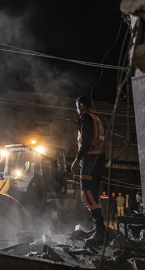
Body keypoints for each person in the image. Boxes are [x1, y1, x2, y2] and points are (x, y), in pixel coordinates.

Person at [71, 95, 106, 245]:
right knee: (94, 194)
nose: (77, 110)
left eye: (77, 107)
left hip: (89, 160)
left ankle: (100, 231)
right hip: (98, 160)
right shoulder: (97, 119)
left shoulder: (85, 117)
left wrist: (78, 159)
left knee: (87, 194)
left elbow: (85, 140)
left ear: (81, 105)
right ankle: (98, 228)